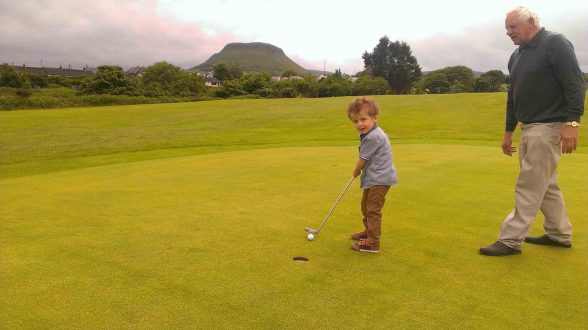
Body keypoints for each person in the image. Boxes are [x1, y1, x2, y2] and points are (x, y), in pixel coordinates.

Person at [480, 7, 585, 256]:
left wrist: (572, 123)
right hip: (528, 128)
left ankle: (510, 239)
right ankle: (560, 234)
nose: (508, 32)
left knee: (528, 184)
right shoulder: (516, 56)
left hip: (549, 127)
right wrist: (508, 132)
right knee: (546, 184)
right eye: (507, 28)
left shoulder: (555, 43)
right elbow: (512, 97)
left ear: (530, 22)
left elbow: (575, 83)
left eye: (512, 27)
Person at [347, 97, 398, 253]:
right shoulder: (371, 132)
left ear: (375, 118)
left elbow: (363, 159)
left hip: (380, 178)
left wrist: (356, 171)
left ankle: (373, 243)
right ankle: (369, 232)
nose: (359, 124)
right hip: (374, 177)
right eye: (355, 121)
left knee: (373, 210)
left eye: (363, 119)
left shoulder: (373, 136)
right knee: (366, 206)